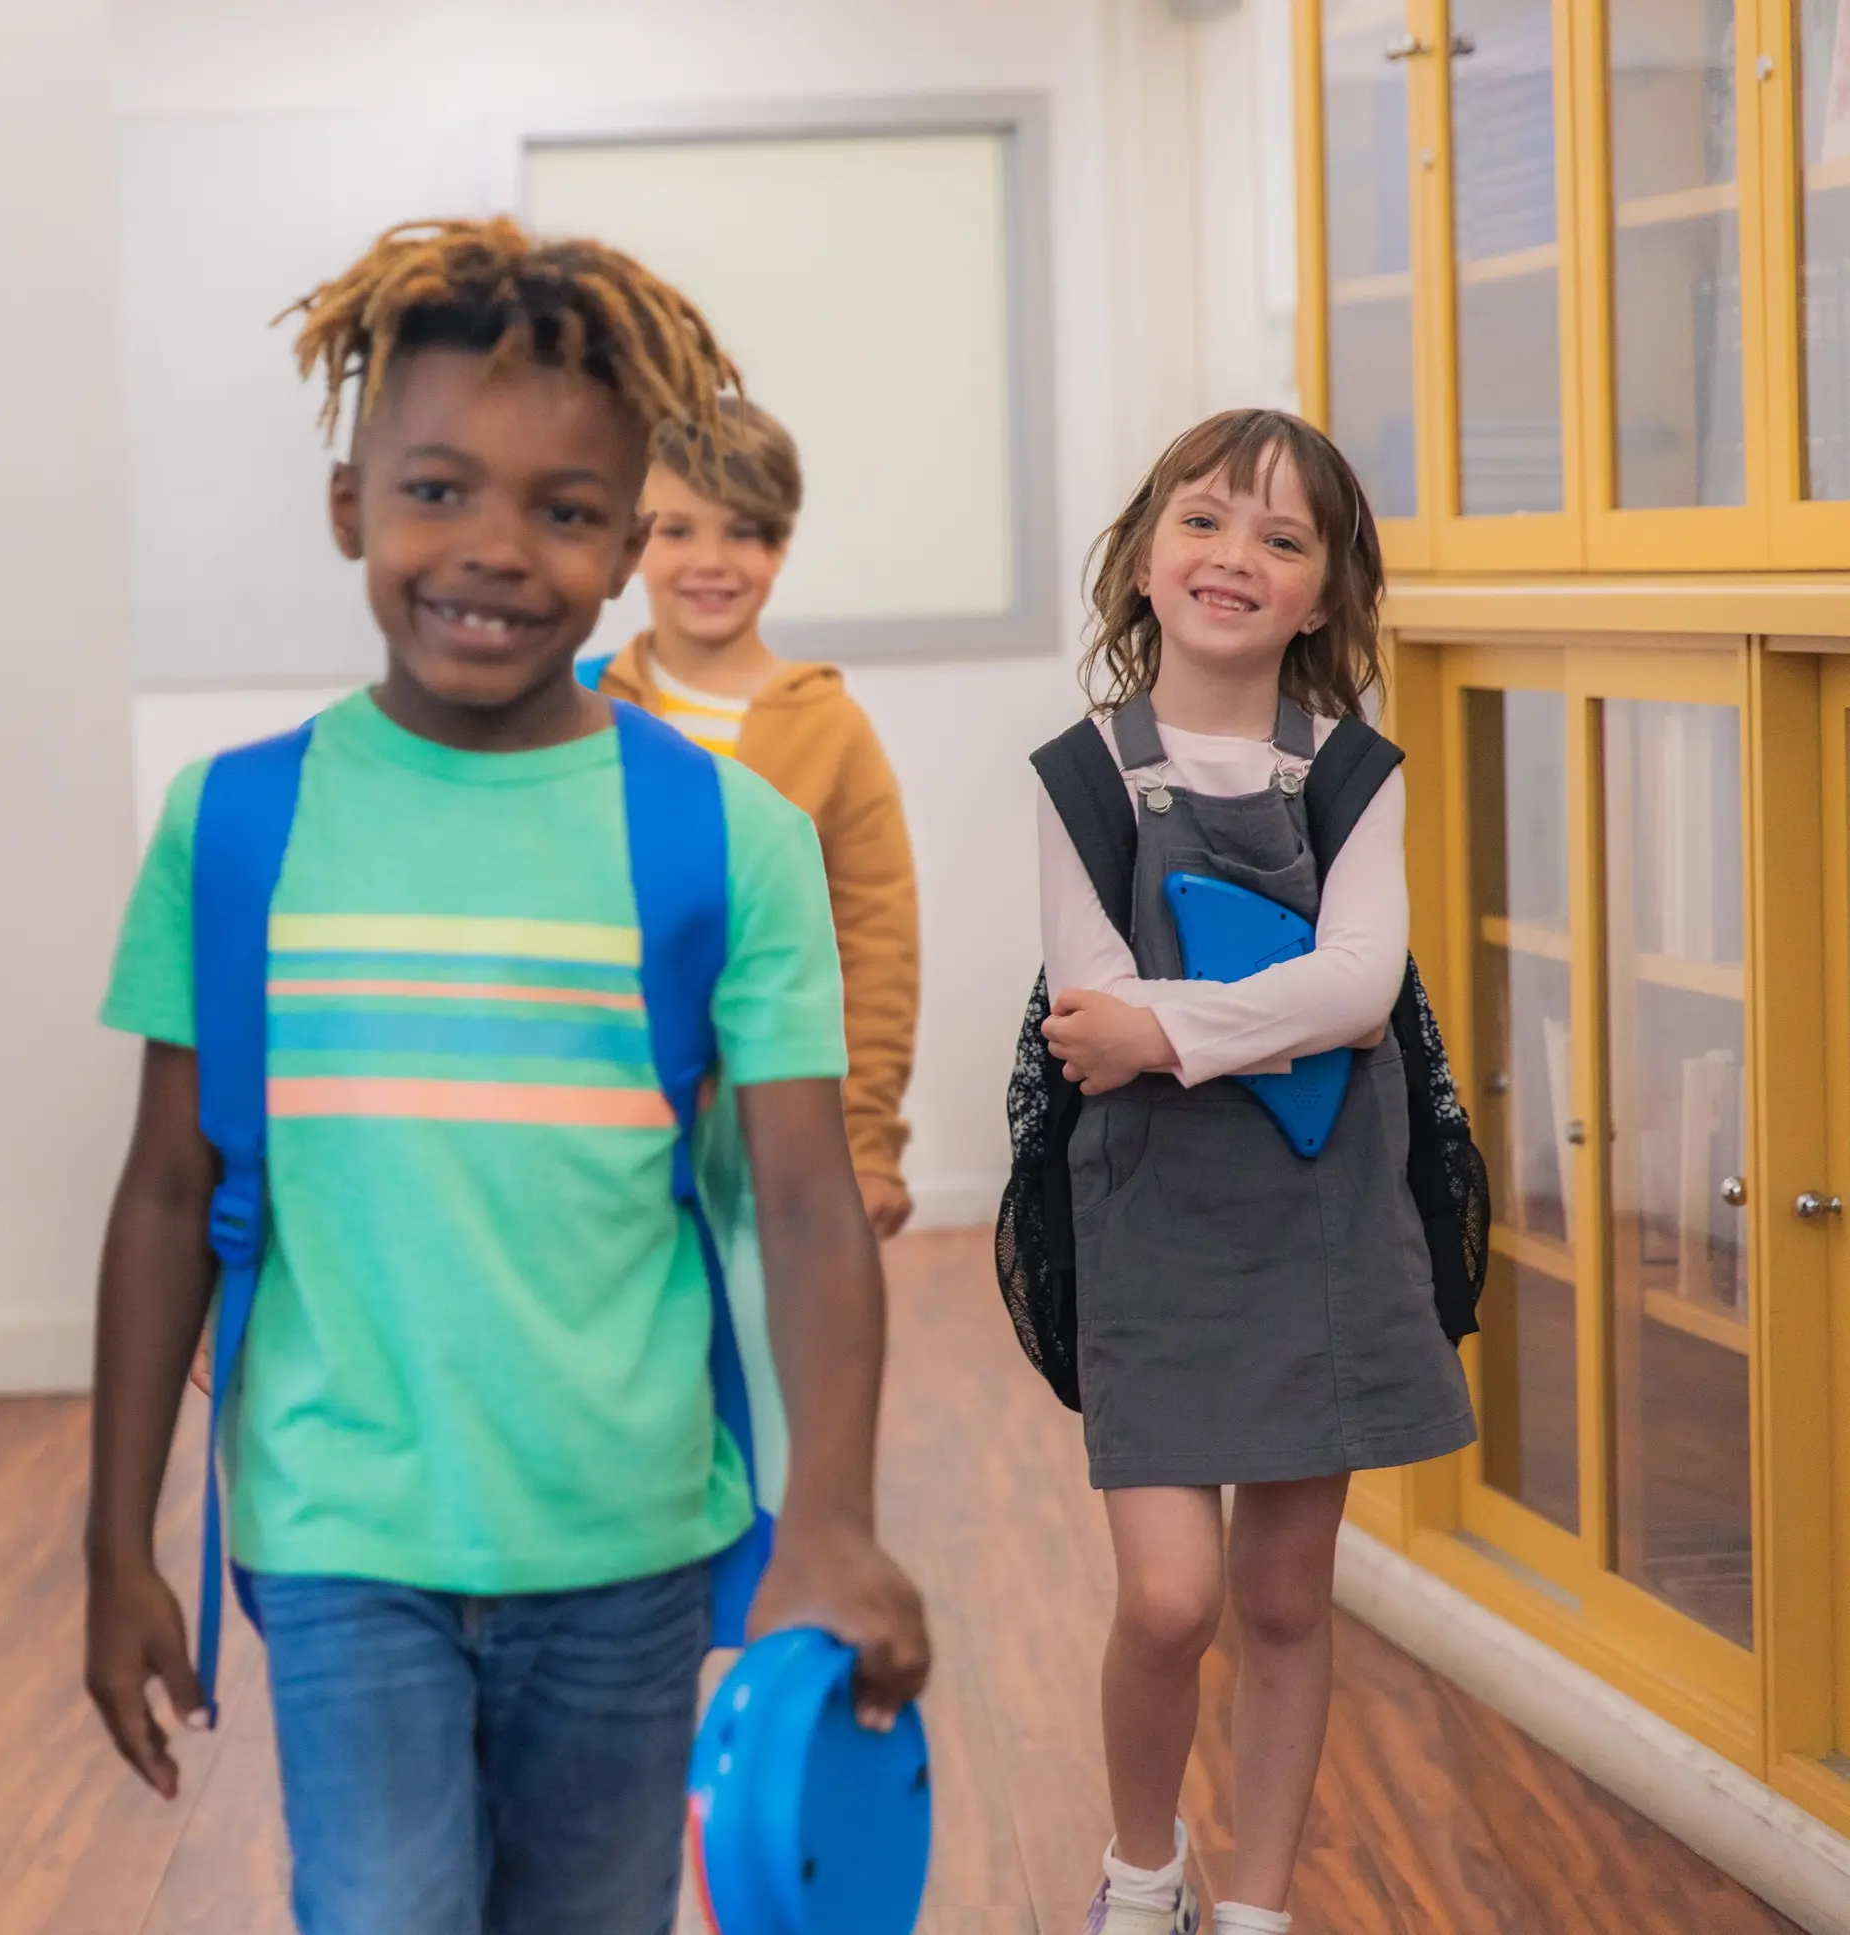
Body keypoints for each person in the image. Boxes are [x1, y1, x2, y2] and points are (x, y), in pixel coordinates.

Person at [84, 216, 929, 1935]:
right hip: (338, 1524)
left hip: (631, 1536)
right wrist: (114, 1544)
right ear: (350, 504)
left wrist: (832, 1519)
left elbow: (803, 1203)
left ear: (625, 543)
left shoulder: (727, 836)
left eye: (563, 509)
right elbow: (167, 1192)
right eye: (437, 490)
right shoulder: (234, 824)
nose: (493, 548)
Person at [1036, 410, 1475, 1935]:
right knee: (1168, 1597)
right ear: (1142, 558)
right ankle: (1140, 1871)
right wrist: (1195, 1026)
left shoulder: (1352, 772)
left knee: (1285, 1596)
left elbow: (1357, 989)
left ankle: (1258, 1907)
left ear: (1319, 594)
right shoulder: (1080, 775)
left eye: (1281, 538)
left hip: (1322, 1227)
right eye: (1204, 521)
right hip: (1156, 1227)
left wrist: (1166, 1034)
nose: (1235, 556)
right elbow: (1084, 1013)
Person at [592, 401, 920, 1240]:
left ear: (778, 545)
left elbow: (874, 942)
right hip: (601, 1115)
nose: (710, 561)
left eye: (743, 532)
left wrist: (866, 1143)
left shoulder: (832, 728)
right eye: (676, 530)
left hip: (766, 1124)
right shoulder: (579, 705)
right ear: (632, 539)